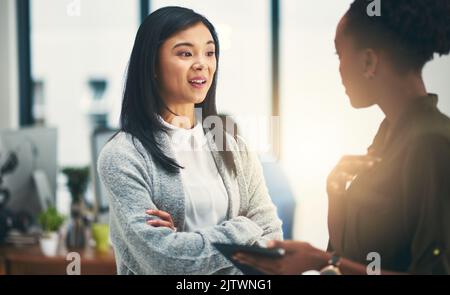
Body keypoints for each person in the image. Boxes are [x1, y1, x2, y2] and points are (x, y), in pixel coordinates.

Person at [234, 0, 450, 275]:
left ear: (369, 61)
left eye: (339, 55)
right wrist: (337, 200)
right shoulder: (388, 137)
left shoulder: (431, 142)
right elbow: (351, 258)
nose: (338, 70)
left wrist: (322, 261)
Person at [97, 6, 282, 275]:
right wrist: (244, 226)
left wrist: (184, 241)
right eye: (185, 53)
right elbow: (166, 261)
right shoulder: (123, 155)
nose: (202, 63)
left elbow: (272, 239)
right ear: (153, 65)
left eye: (209, 52)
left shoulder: (231, 143)